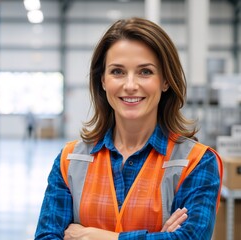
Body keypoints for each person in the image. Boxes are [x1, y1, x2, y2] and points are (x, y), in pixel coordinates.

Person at [34, 17, 223, 240]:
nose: (131, 85)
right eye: (117, 72)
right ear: (102, 80)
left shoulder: (197, 162)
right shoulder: (70, 161)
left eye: (145, 72)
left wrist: (96, 236)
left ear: (165, 81)